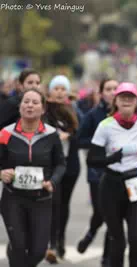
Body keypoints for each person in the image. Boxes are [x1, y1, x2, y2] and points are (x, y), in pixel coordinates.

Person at [87, 82, 137, 267]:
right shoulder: (105, 125)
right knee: (117, 240)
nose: (126, 100)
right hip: (111, 185)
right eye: (122, 97)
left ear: (136, 101)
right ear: (115, 100)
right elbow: (91, 160)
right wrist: (114, 157)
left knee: (136, 238)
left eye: (130, 97)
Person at [0, 89, 66, 267]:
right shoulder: (6, 133)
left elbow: (60, 163)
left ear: (43, 109)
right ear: (20, 107)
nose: (30, 105)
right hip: (13, 197)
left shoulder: (51, 134)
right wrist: (2, 173)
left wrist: (52, 181)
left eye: (35, 102)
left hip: (41, 198)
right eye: (26, 101)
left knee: (37, 252)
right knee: (20, 247)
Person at [77, 78, 119, 266]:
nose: (112, 92)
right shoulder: (94, 115)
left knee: (114, 215)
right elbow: (80, 139)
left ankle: (106, 257)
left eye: (115, 89)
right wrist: (99, 145)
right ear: (101, 93)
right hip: (97, 172)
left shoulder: (126, 116)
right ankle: (91, 233)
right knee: (101, 212)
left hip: (118, 172)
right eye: (108, 89)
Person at [43, 75, 80, 263]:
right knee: (54, 203)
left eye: (62, 89)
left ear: (67, 92)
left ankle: (60, 238)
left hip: (71, 166)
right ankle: (51, 243)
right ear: (50, 91)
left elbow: (81, 135)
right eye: (55, 88)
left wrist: (69, 136)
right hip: (51, 166)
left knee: (64, 204)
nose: (59, 92)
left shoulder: (74, 109)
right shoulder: (44, 109)